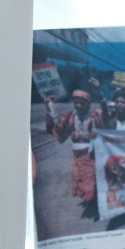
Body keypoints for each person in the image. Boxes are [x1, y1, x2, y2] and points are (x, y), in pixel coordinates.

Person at [50, 89, 101, 220]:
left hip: (92, 155)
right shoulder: (70, 117)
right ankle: (92, 202)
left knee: (92, 181)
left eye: (82, 103)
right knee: (82, 181)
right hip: (77, 155)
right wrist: (49, 111)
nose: (78, 105)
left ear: (88, 104)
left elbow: (104, 129)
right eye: (76, 102)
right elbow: (58, 133)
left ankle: (96, 204)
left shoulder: (94, 116)